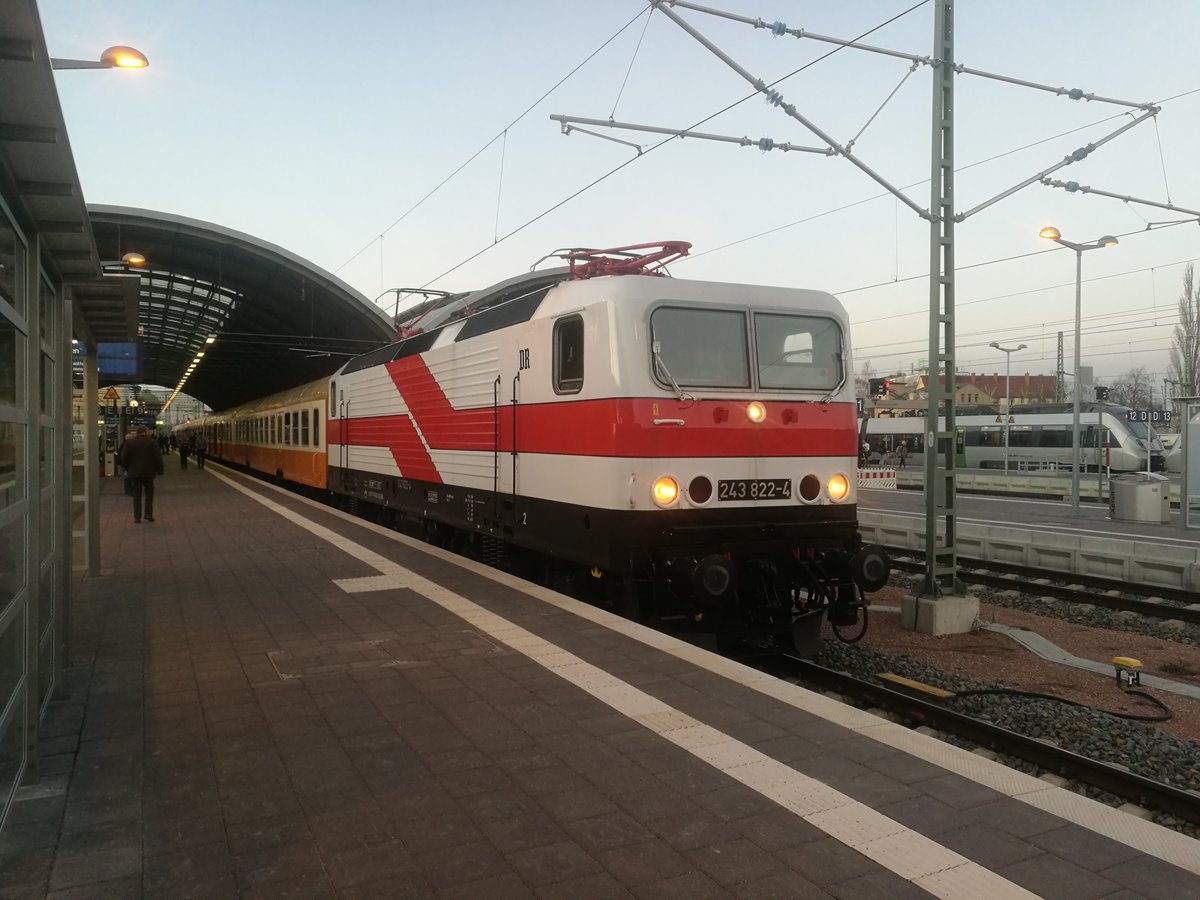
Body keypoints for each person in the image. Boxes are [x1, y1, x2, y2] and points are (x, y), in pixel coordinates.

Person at [117, 425, 164, 523]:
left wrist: (127, 468)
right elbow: (158, 458)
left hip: (134, 473)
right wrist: (159, 470)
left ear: (137, 432)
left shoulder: (130, 444)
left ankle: (137, 517)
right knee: (149, 493)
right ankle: (148, 514)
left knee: (136, 495)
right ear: (146, 432)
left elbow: (123, 458)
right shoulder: (152, 443)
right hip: (149, 473)